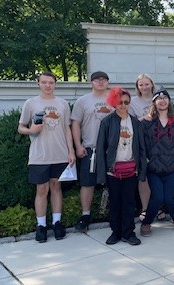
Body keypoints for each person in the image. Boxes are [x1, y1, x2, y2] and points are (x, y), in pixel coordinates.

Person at [18, 71, 75, 243]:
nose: (47, 85)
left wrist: (70, 150)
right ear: (38, 83)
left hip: (59, 154)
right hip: (39, 155)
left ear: (55, 84)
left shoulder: (63, 103)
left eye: (51, 82)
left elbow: (67, 129)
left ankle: (57, 223)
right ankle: (41, 226)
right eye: (44, 82)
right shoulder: (31, 103)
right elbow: (20, 127)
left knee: (56, 188)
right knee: (41, 190)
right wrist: (31, 130)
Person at [95, 87, 147, 245]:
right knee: (115, 202)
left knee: (129, 202)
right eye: (120, 102)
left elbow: (141, 148)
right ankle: (115, 232)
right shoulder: (107, 122)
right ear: (113, 103)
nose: (123, 105)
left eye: (126, 102)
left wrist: (142, 170)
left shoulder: (135, 122)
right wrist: (102, 174)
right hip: (113, 171)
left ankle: (128, 232)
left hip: (131, 170)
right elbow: (100, 148)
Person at [140, 89, 174, 236]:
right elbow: (140, 145)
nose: (162, 100)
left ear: (169, 101)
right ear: (154, 102)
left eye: (165, 97)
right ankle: (147, 223)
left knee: (168, 197)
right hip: (153, 168)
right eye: (158, 98)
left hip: (172, 167)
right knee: (158, 197)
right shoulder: (146, 123)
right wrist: (147, 162)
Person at [70, 71, 113, 232]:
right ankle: (85, 215)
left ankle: (112, 212)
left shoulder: (114, 98)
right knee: (87, 183)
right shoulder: (82, 101)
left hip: (111, 150)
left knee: (113, 183)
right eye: (97, 80)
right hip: (90, 148)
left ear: (108, 82)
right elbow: (75, 124)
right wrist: (78, 146)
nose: (101, 82)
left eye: (104, 80)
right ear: (91, 82)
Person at [128, 73, 159, 223]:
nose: (144, 87)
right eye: (141, 85)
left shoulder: (159, 99)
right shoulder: (133, 102)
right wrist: (142, 118)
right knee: (143, 176)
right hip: (141, 143)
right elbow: (128, 123)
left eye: (147, 84)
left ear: (152, 84)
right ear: (137, 87)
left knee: (157, 176)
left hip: (160, 144)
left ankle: (157, 207)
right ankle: (146, 208)